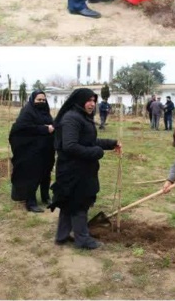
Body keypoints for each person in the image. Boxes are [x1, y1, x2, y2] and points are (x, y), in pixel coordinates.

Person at [49, 88, 121, 249]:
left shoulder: (82, 117)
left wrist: (111, 143)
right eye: (89, 100)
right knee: (78, 203)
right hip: (73, 170)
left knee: (69, 203)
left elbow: (89, 141)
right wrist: (96, 152)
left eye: (94, 100)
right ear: (79, 101)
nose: (92, 104)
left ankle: (62, 236)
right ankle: (83, 240)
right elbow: (70, 146)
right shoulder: (71, 119)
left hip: (81, 168)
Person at [8, 91, 55, 213]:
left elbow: (51, 124)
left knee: (46, 174)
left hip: (46, 150)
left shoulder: (45, 111)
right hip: (31, 151)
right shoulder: (27, 112)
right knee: (32, 176)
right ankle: (31, 202)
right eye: (39, 100)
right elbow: (23, 128)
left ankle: (46, 197)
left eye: (43, 100)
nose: (41, 102)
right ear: (32, 99)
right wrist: (44, 129)